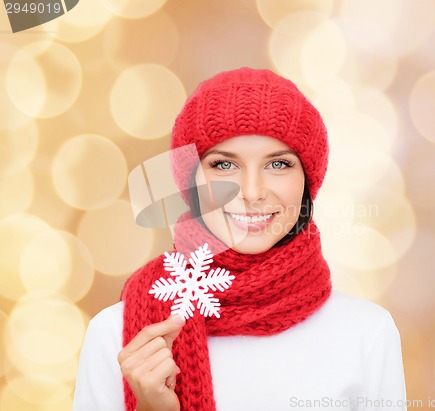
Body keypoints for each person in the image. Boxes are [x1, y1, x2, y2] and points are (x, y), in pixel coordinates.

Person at [73, 68, 407, 411]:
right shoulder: (119, 336)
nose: (251, 192)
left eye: (278, 164)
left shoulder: (367, 334)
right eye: (223, 165)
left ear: (307, 180)